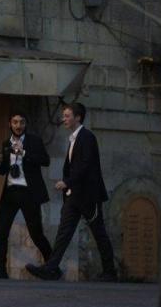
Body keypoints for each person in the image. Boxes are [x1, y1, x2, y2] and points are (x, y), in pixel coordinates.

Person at [26, 102, 117, 282]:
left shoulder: (87, 137)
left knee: (99, 233)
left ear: (78, 117)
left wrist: (66, 182)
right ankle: (51, 268)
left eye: (67, 116)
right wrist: (69, 186)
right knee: (64, 232)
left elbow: (85, 165)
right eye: (64, 116)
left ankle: (110, 272)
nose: (64, 119)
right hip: (74, 195)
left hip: (89, 196)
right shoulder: (74, 138)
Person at [0, 111, 52, 279]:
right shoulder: (6, 144)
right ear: (10, 124)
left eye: (22, 122)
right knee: (1, 232)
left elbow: (45, 161)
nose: (18, 126)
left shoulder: (34, 141)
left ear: (26, 124)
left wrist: (23, 153)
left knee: (36, 233)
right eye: (15, 122)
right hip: (10, 192)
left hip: (29, 193)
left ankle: (52, 266)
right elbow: (4, 170)